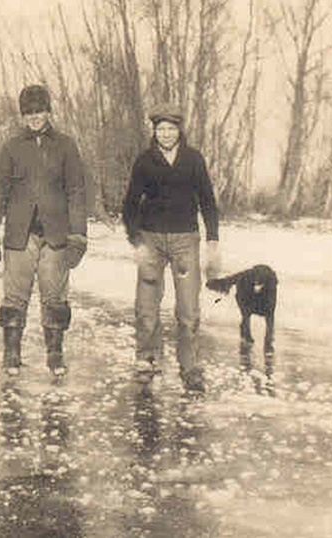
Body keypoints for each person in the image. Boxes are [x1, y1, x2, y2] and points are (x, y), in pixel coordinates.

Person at [0, 84, 87, 377]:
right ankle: (11, 353)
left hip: (56, 236)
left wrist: (78, 235)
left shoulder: (66, 145)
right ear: (22, 115)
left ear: (48, 111)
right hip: (19, 235)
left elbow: (77, 191)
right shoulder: (12, 147)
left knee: (55, 296)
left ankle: (55, 353)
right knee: (15, 297)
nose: (34, 117)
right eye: (28, 112)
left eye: (39, 111)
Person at [122, 102, 221, 394]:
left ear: (179, 130)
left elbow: (207, 202)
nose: (165, 134)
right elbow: (129, 204)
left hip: (185, 241)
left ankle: (190, 367)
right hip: (150, 240)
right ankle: (147, 359)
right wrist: (136, 240)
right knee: (146, 306)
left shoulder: (193, 159)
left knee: (188, 309)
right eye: (160, 129)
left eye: (170, 128)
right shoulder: (144, 161)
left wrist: (213, 239)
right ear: (154, 131)